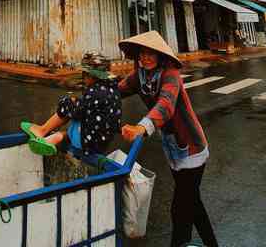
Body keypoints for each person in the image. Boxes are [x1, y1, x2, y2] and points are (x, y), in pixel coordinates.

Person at [118, 30, 219, 247]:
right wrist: (96, 89)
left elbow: (165, 106)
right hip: (172, 147)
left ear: (160, 55)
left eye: (150, 53)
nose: (144, 58)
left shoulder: (170, 74)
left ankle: (179, 243)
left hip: (191, 146)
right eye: (141, 53)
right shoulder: (140, 76)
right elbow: (118, 90)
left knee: (180, 207)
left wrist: (140, 128)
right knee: (192, 202)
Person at [21, 52, 122, 157]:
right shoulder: (114, 89)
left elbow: (77, 112)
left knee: (67, 105)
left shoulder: (94, 91)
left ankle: (42, 130)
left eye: (84, 75)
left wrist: (68, 102)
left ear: (90, 76)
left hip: (87, 144)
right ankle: (55, 137)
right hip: (102, 144)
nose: (83, 78)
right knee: (80, 112)